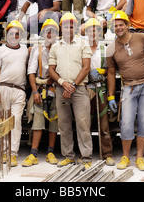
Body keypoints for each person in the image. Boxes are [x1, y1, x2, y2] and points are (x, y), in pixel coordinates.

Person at [106, 10, 144, 171]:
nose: (118, 28)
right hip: (128, 87)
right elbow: (111, 73)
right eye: (115, 26)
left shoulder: (142, 38)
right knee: (126, 121)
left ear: (128, 25)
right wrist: (111, 96)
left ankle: (139, 157)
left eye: (121, 24)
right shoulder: (111, 49)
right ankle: (125, 157)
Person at [48, 12, 93, 169]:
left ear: (75, 28)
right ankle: (68, 156)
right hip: (61, 89)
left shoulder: (83, 44)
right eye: (65, 26)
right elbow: (51, 70)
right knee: (64, 124)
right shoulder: (55, 46)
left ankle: (86, 157)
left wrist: (72, 85)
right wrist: (62, 83)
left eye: (71, 25)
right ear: (61, 28)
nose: (68, 28)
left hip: (79, 89)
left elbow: (86, 67)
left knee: (83, 123)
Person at [22, 19, 60, 167]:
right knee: (37, 122)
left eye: (53, 31)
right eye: (47, 31)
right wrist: (34, 91)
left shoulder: (59, 49)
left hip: (55, 88)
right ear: (43, 33)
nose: (50, 34)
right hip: (40, 88)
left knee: (53, 121)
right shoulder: (37, 50)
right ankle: (34, 153)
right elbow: (31, 72)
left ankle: (50, 152)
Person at [0, 20, 29, 167]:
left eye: (17, 33)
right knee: (4, 122)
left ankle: (13, 154)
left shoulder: (25, 49)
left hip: (19, 90)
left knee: (16, 122)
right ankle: (5, 152)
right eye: (11, 33)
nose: (14, 35)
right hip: (3, 88)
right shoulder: (1, 50)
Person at [84, 18, 117, 166]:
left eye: (96, 29)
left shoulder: (105, 49)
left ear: (100, 32)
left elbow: (110, 73)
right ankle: (86, 155)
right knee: (84, 124)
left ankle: (107, 154)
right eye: (90, 29)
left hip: (100, 89)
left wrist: (110, 96)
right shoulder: (82, 47)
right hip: (85, 89)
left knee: (103, 125)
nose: (93, 32)